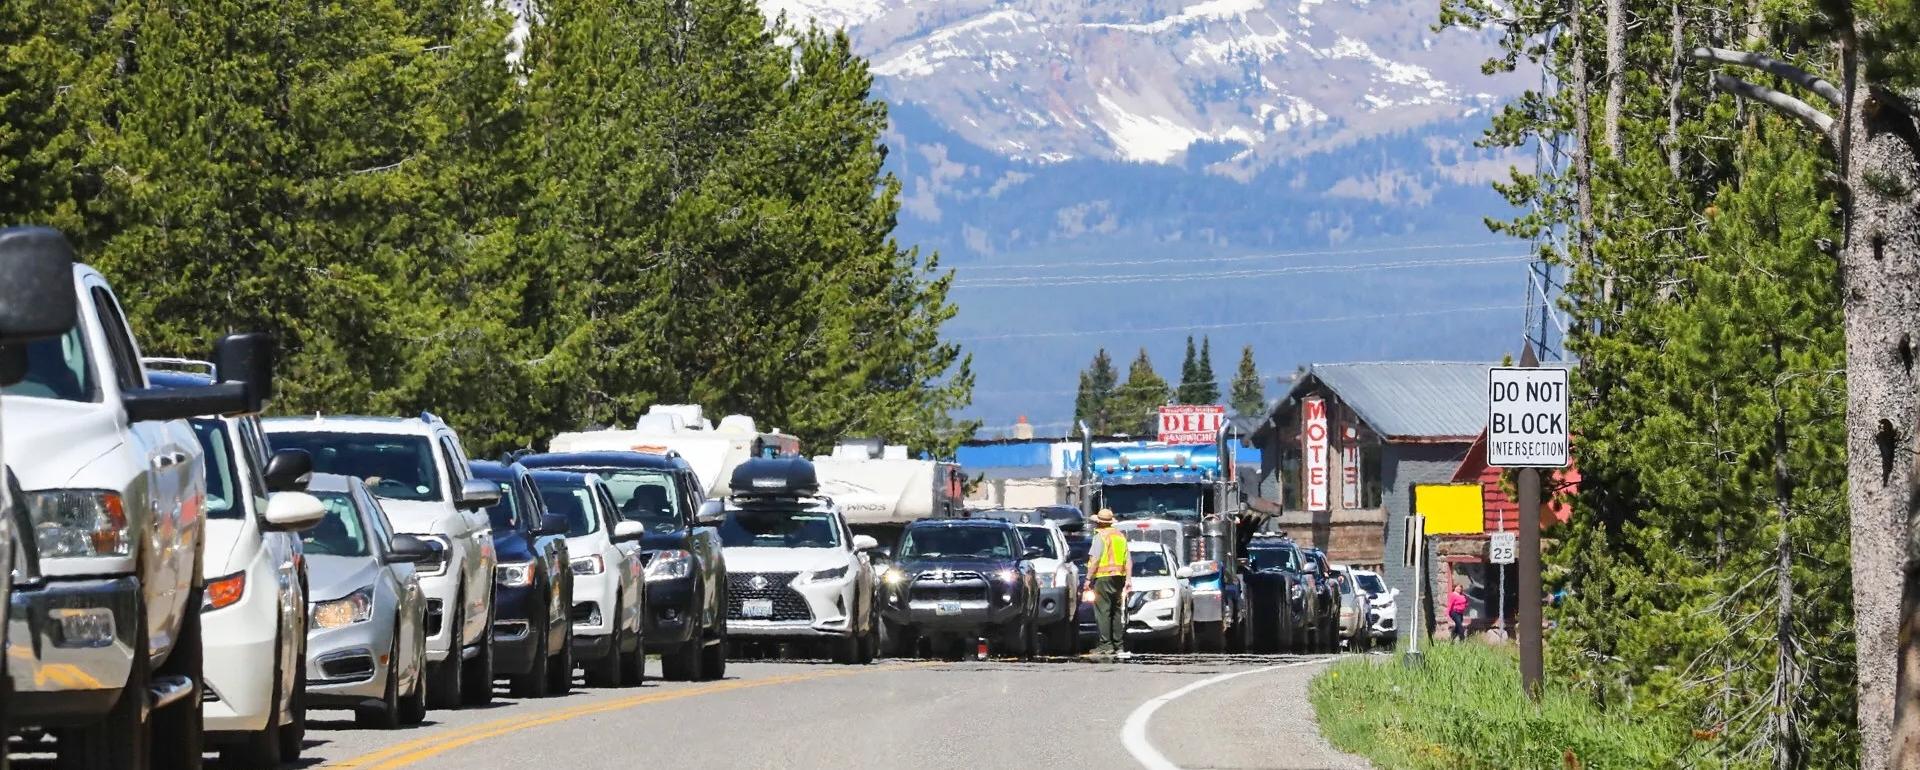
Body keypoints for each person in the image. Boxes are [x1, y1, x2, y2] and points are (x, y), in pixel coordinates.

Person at [1085, 508, 1131, 657]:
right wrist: (1129, 579)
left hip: (1103, 577)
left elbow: (1095, 559)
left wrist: (1087, 579)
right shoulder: (1120, 537)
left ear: (1099, 523)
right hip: (1119, 577)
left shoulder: (1100, 536)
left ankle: (1105, 644)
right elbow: (1128, 561)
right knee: (1116, 610)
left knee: (1103, 611)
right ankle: (1119, 645)